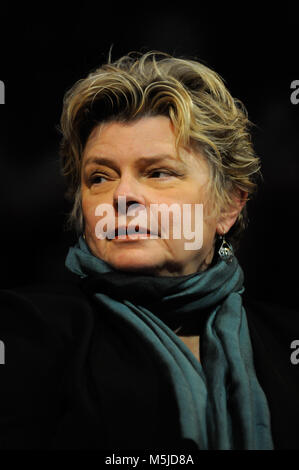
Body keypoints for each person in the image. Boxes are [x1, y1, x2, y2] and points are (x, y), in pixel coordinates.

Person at [0, 51, 298, 451]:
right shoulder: (24, 330)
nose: (122, 196)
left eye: (158, 172)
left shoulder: (288, 339)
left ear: (228, 205)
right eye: (100, 177)